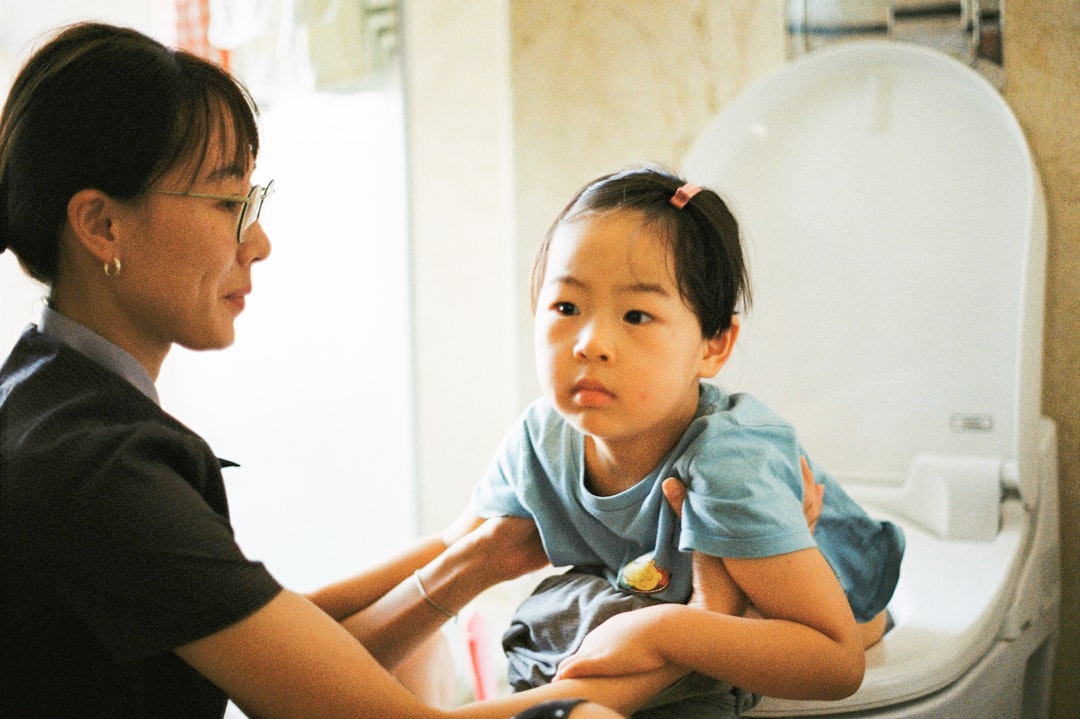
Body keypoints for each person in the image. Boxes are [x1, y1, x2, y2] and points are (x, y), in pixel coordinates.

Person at [0, 22, 689, 719]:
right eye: (227, 203)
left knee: (427, 653)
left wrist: (474, 553)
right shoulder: (99, 467)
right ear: (101, 225)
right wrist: (672, 648)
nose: (259, 243)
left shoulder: (45, 400)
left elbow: (271, 640)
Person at [466, 168, 906, 717]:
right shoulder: (544, 435)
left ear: (714, 346)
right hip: (676, 582)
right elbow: (453, 554)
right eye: (566, 307)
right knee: (559, 617)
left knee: (632, 634)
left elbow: (837, 664)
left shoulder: (729, 463)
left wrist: (663, 631)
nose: (591, 343)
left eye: (636, 315)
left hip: (823, 605)